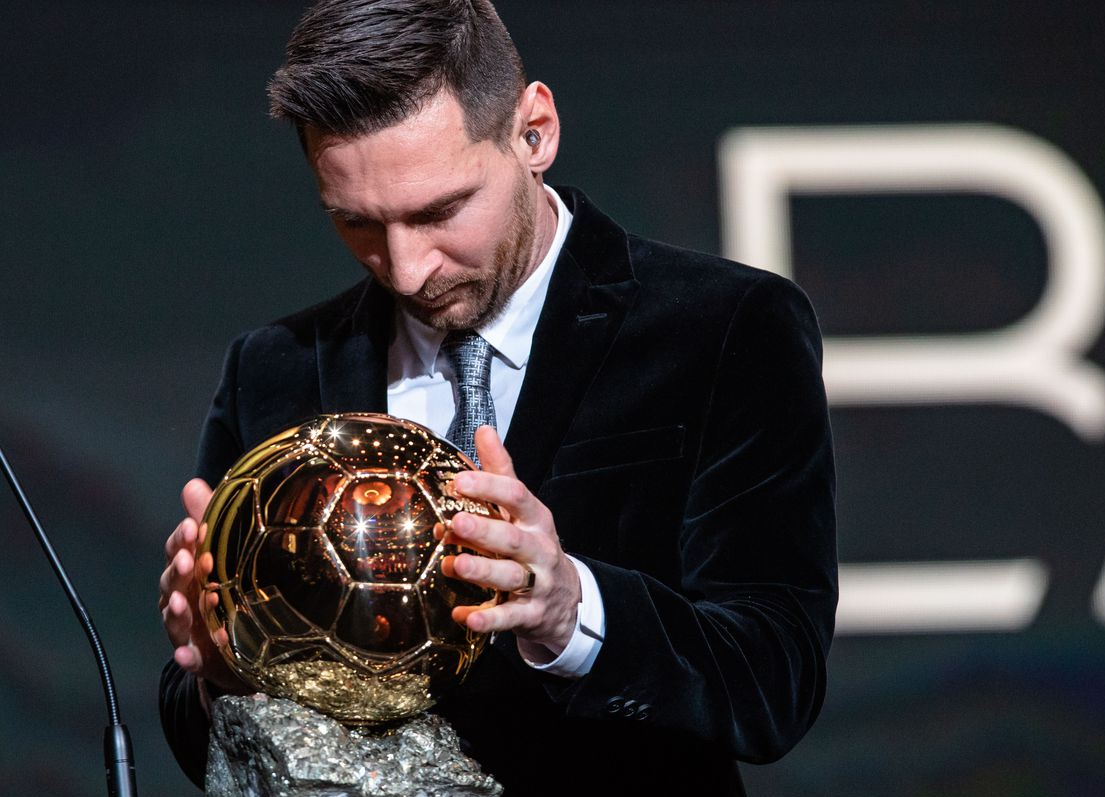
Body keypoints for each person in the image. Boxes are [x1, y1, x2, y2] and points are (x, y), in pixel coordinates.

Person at [158, 1, 837, 794]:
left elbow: (773, 679)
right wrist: (221, 670)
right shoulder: (273, 369)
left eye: (440, 211)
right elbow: (203, 731)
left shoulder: (725, 328)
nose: (406, 268)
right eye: (357, 223)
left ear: (534, 132)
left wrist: (572, 609)